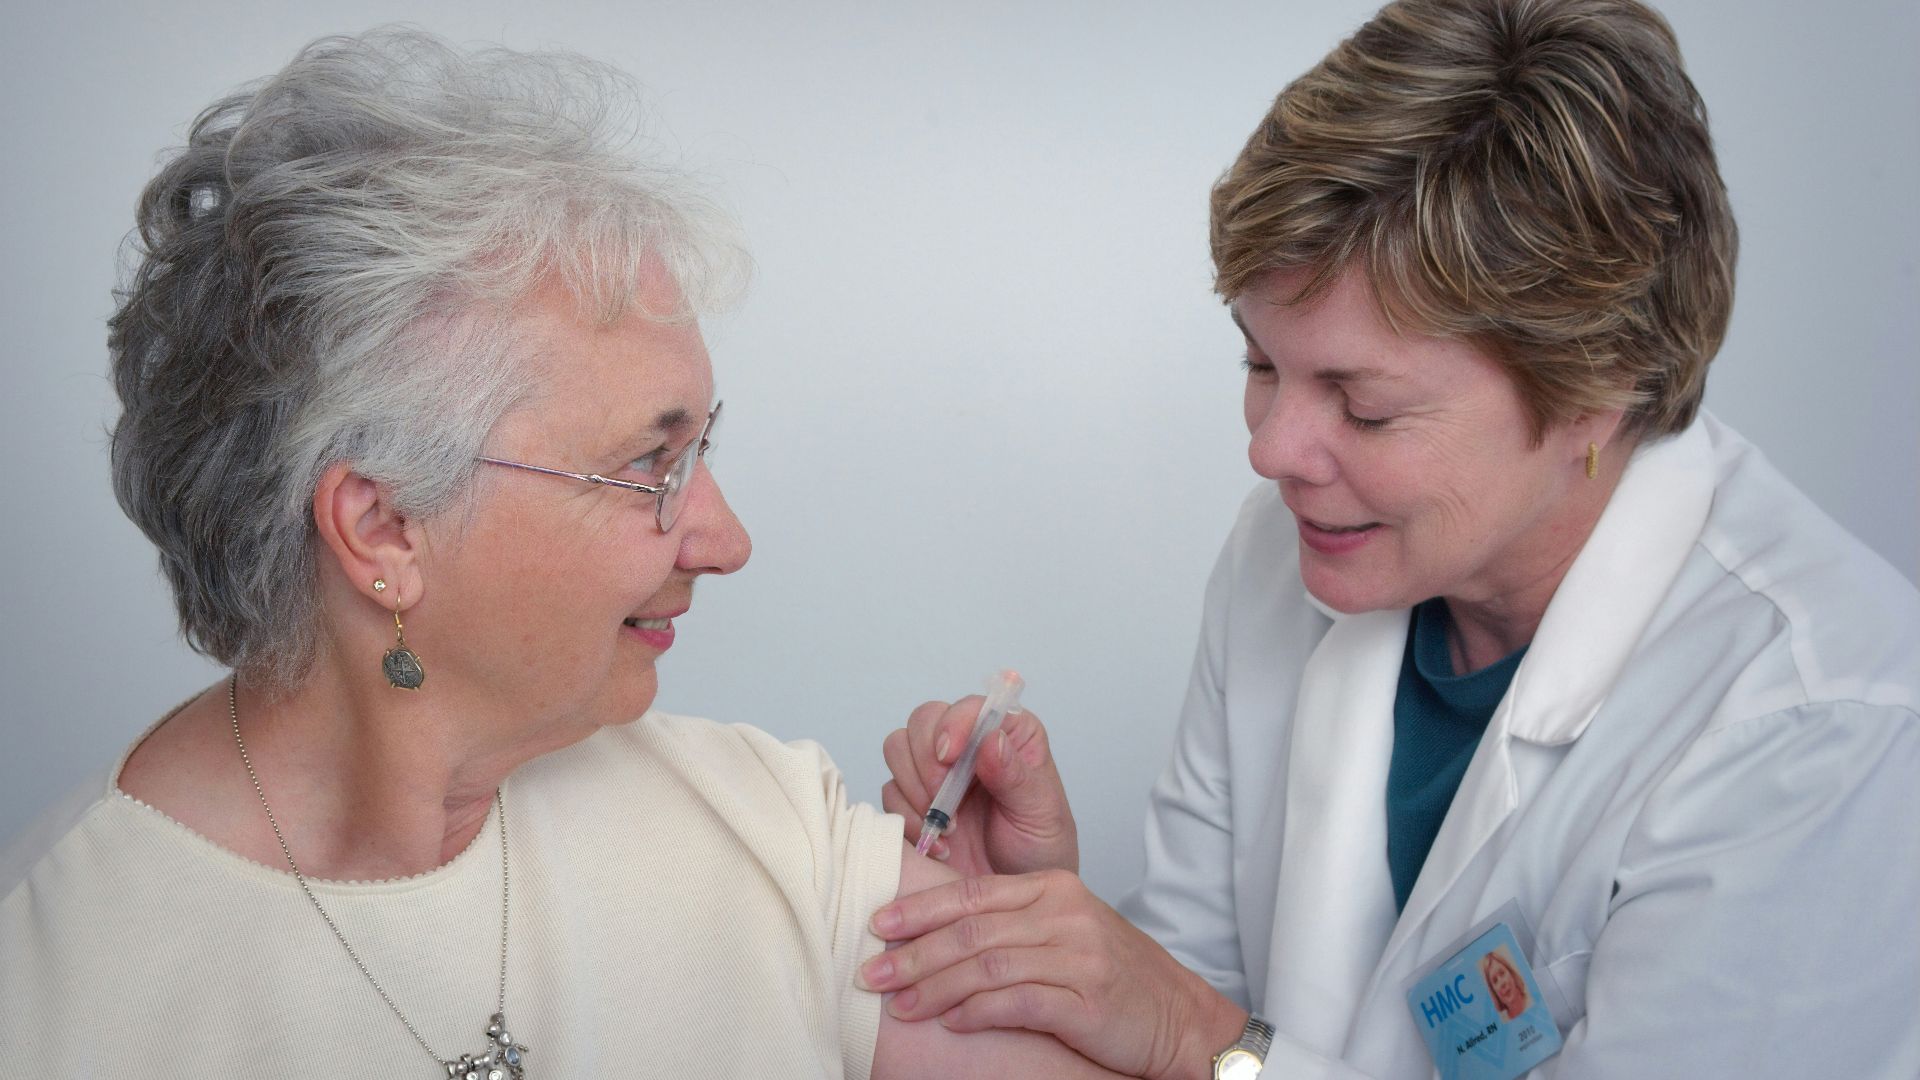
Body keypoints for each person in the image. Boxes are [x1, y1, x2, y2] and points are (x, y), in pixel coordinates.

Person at [0, 30, 1127, 1079]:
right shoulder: (50, 991)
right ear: (383, 529)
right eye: (652, 463)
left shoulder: (769, 834)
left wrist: (1039, 957)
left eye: (703, 447)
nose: (727, 541)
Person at [867, 0, 1920, 1077]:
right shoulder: (1289, 559)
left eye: (1363, 407)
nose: (1274, 451)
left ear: (1597, 389)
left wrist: (1191, 1033)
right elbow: (1183, 996)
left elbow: (1196, 1033)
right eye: (1260, 365)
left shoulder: (1815, 728)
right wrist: (1044, 933)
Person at [1480, 949, 1529, 1023]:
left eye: (1502, 973)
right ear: (1494, 992)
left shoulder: (1534, 1001)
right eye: (1495, 981)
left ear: (1511, 973)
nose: (1501, 983)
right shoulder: (1501, 1024)